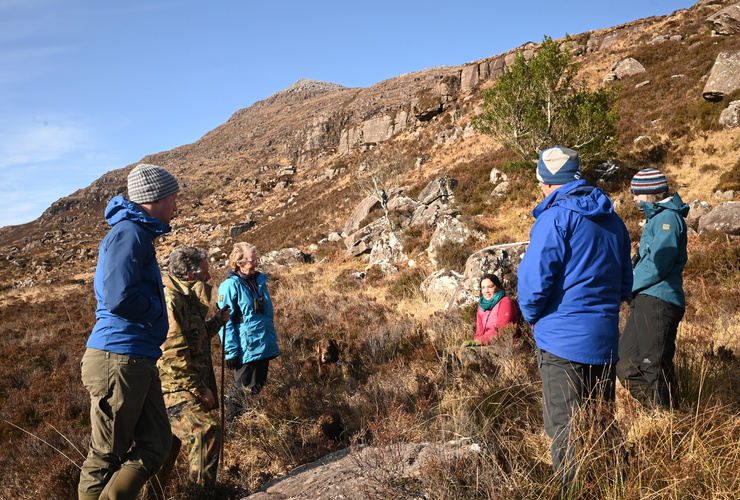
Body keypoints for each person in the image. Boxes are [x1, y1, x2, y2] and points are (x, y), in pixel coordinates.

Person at [517, 146, 633, 488]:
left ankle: (574, 491)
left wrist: (533, 317)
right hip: (605, 337)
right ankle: (618, 487)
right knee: (602, 422)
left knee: (565, 428)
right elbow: (625, 282)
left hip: (562, 339)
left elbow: (533, 283)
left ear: (546, 181)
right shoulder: (613, 219)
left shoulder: (554, 218)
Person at [78, 164, 179, 500]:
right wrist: (155, 314)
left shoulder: (137, 233)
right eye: (173, 198)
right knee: (106, 455)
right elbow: (118, 296)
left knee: (157, 443)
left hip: (136, 356)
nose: (176, 206)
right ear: (156, 198)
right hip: (118, 356)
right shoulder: (129, 233)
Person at [144, 247, 231, 497]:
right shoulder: (170, 300)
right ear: (190, 275)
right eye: (205, 271)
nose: (209, 276)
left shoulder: (187, 298)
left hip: (182, 385)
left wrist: (217, 322)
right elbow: (172, 354)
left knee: (165, 451)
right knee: (206, 431)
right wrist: (198, 388)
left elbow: (194, 339)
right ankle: (199, 495)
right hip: (172, 389)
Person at [617, 169, 689, 410]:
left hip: (660, 300)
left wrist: (628, 285)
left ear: (648, 193)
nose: (634, 198)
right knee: (625, 366)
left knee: (653, 366)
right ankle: (658, 413)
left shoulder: (668, 219)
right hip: (645, 299)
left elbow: (659, 265)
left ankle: (667, 422)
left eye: (636, 193)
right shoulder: (657, 218)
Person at [217, 242, 280, 421]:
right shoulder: (230, 286)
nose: (257, 263)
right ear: (240, 262)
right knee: (242, 389)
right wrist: (230, 350)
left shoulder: (259, 282)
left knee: (257, 387)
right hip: (246, 348)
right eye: (253, 260)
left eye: (256, 259)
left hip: (262, 344)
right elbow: (225, 321)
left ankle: (248, 423)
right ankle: (233, 426)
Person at [470, 273, 519, 346]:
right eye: (483, 288)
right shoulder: (481, 307)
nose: (486, 291)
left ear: (498, 287)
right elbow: (479, 333)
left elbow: (501, 330)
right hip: (486, 344)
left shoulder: (505, 302)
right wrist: (475, 343)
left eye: (490, 287)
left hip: (505, 346)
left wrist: (478, 342)